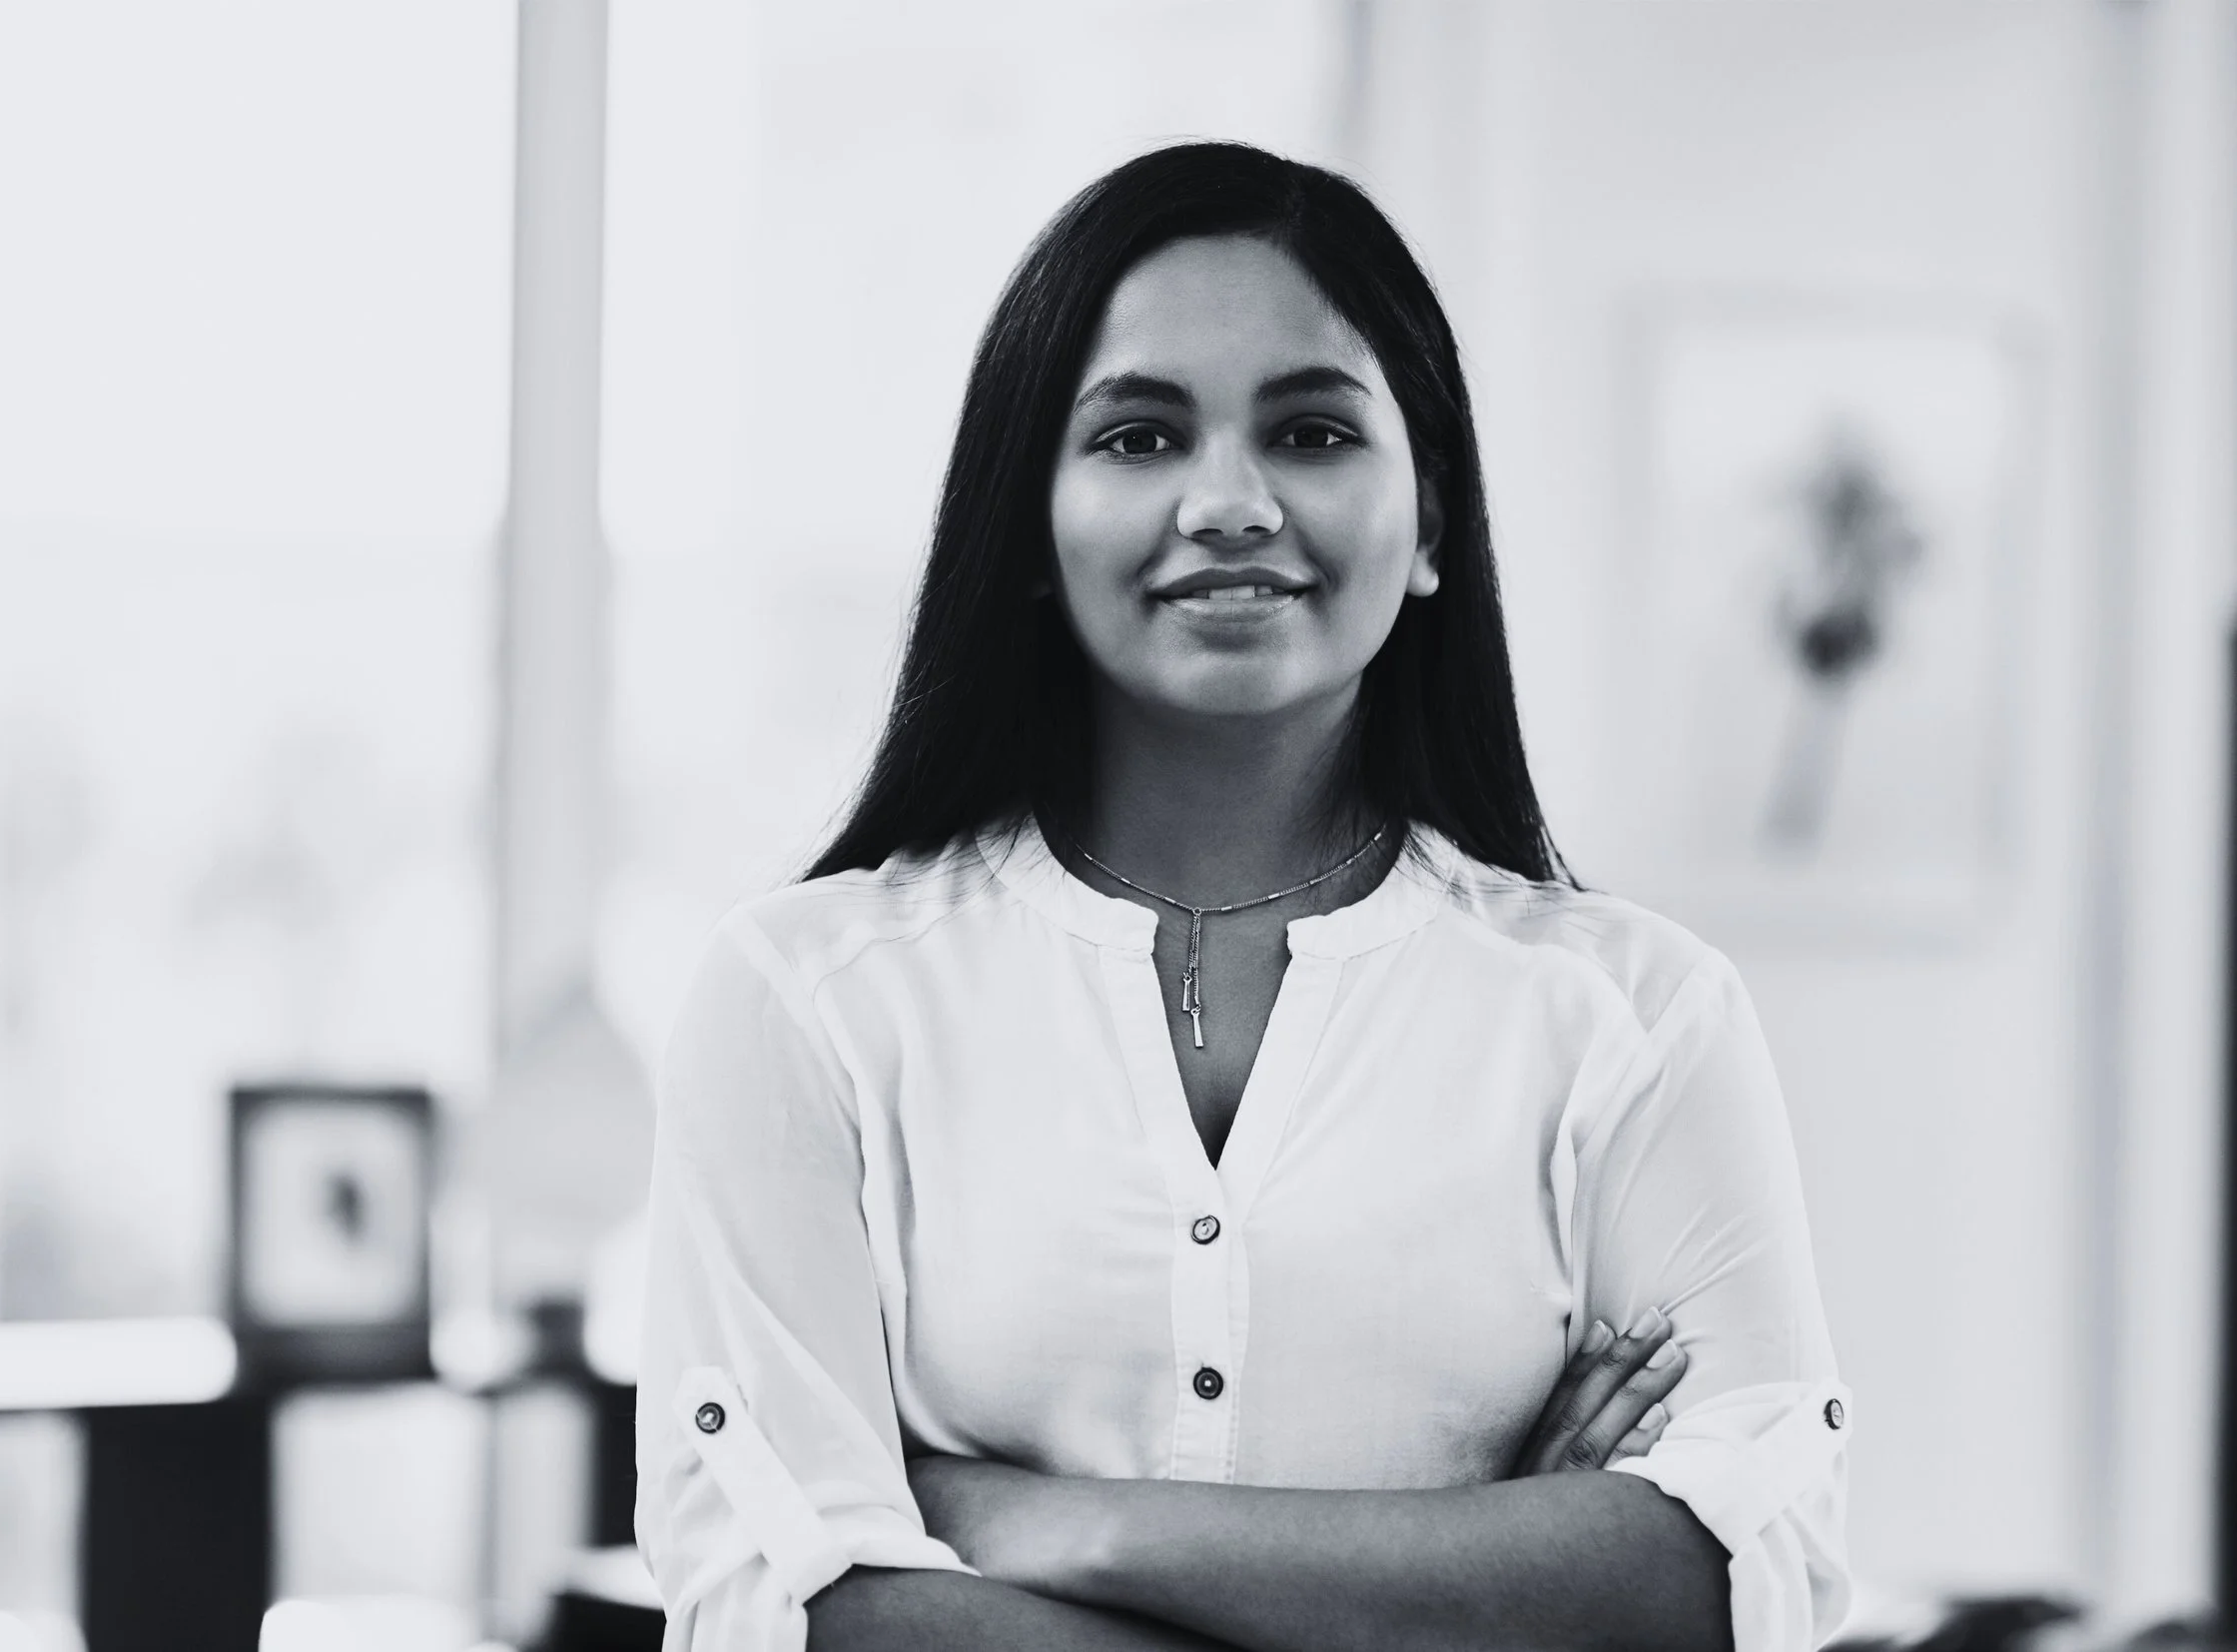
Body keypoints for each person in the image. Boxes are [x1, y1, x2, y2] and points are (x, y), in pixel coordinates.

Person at [636, 142, 1850, 1652]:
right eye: (1141, 438)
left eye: (1313, 432)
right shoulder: (804, 1002)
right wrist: (1485, 1583)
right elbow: (788, 1609)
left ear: (1431, 527)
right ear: (1030, 524)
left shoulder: (1640, 1018)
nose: (1231, 502)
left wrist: (1052, 1522)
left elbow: (1738, 1575)